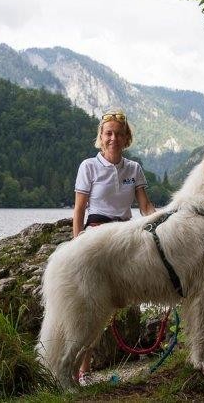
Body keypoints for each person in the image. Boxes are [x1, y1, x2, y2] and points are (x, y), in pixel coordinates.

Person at [72, 108, 155, 385]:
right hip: (96, 235)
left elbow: (145, 207)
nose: (113, 138)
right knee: (90, 304)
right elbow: (80, 209)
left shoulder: (134, 169)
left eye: (119, 134)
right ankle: (81, 371)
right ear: (101, 136)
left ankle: (135, 347)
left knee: (123, 297)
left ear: (126, 138)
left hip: (125, 234)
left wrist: (160, 224)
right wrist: (76, 243)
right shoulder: (89, 166)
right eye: (108, 133)